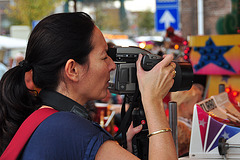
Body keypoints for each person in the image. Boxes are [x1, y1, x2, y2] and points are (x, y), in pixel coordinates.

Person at [0, 12, 177, 159]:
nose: (112, 65)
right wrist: (152, 99)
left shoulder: (42, 118)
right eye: (104, 56)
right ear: (73, 69)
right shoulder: (68, 127)